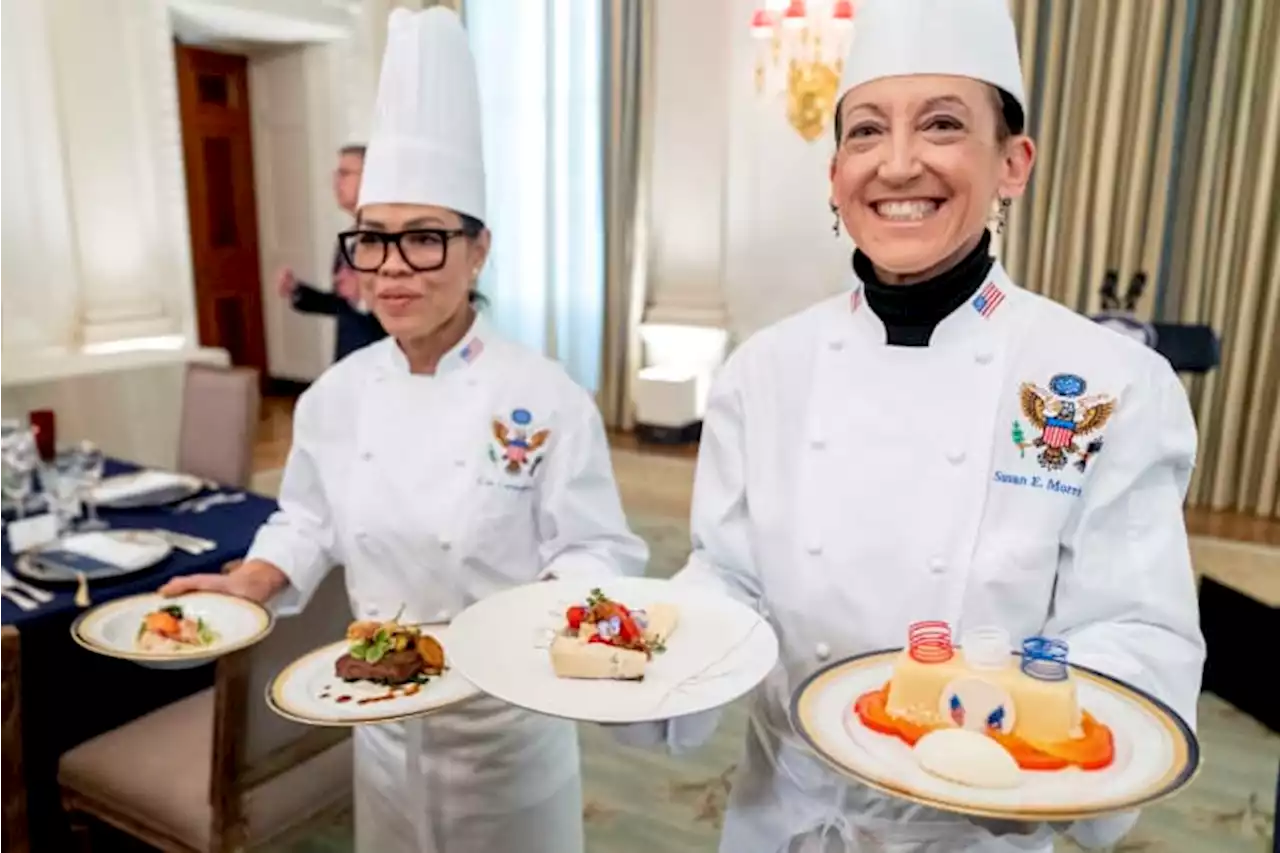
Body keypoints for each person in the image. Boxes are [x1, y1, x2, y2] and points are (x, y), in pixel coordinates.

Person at [612, 0, 1205, 850]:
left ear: (1014, 162)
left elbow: (1136, 632)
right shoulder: (763, 371)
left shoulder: (1113, 385)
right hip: (784, 816)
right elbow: (730, 577)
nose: (897, 164)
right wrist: (649, 663)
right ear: (833, 173)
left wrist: (1021, 749)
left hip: (978, 824)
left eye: (941, 124)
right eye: (864, 131)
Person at [161, 9, 647, 853]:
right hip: (377, 720)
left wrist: (565, 611)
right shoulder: (336, 396)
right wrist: (254, 579)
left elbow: (595, 548)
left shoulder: (547, 398)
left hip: (506, 732)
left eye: (423, 240)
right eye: (373, 241)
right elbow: (308, 517)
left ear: (478, 249)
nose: (390, 268)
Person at [276, 143, 388, 362]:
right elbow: (341, 305)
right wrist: (298, 291)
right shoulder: (347, 240)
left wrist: (366, 297)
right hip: (347, 365)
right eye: (336, 174)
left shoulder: (391, 239)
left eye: (345, 174)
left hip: (381, 366)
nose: (336, 182)